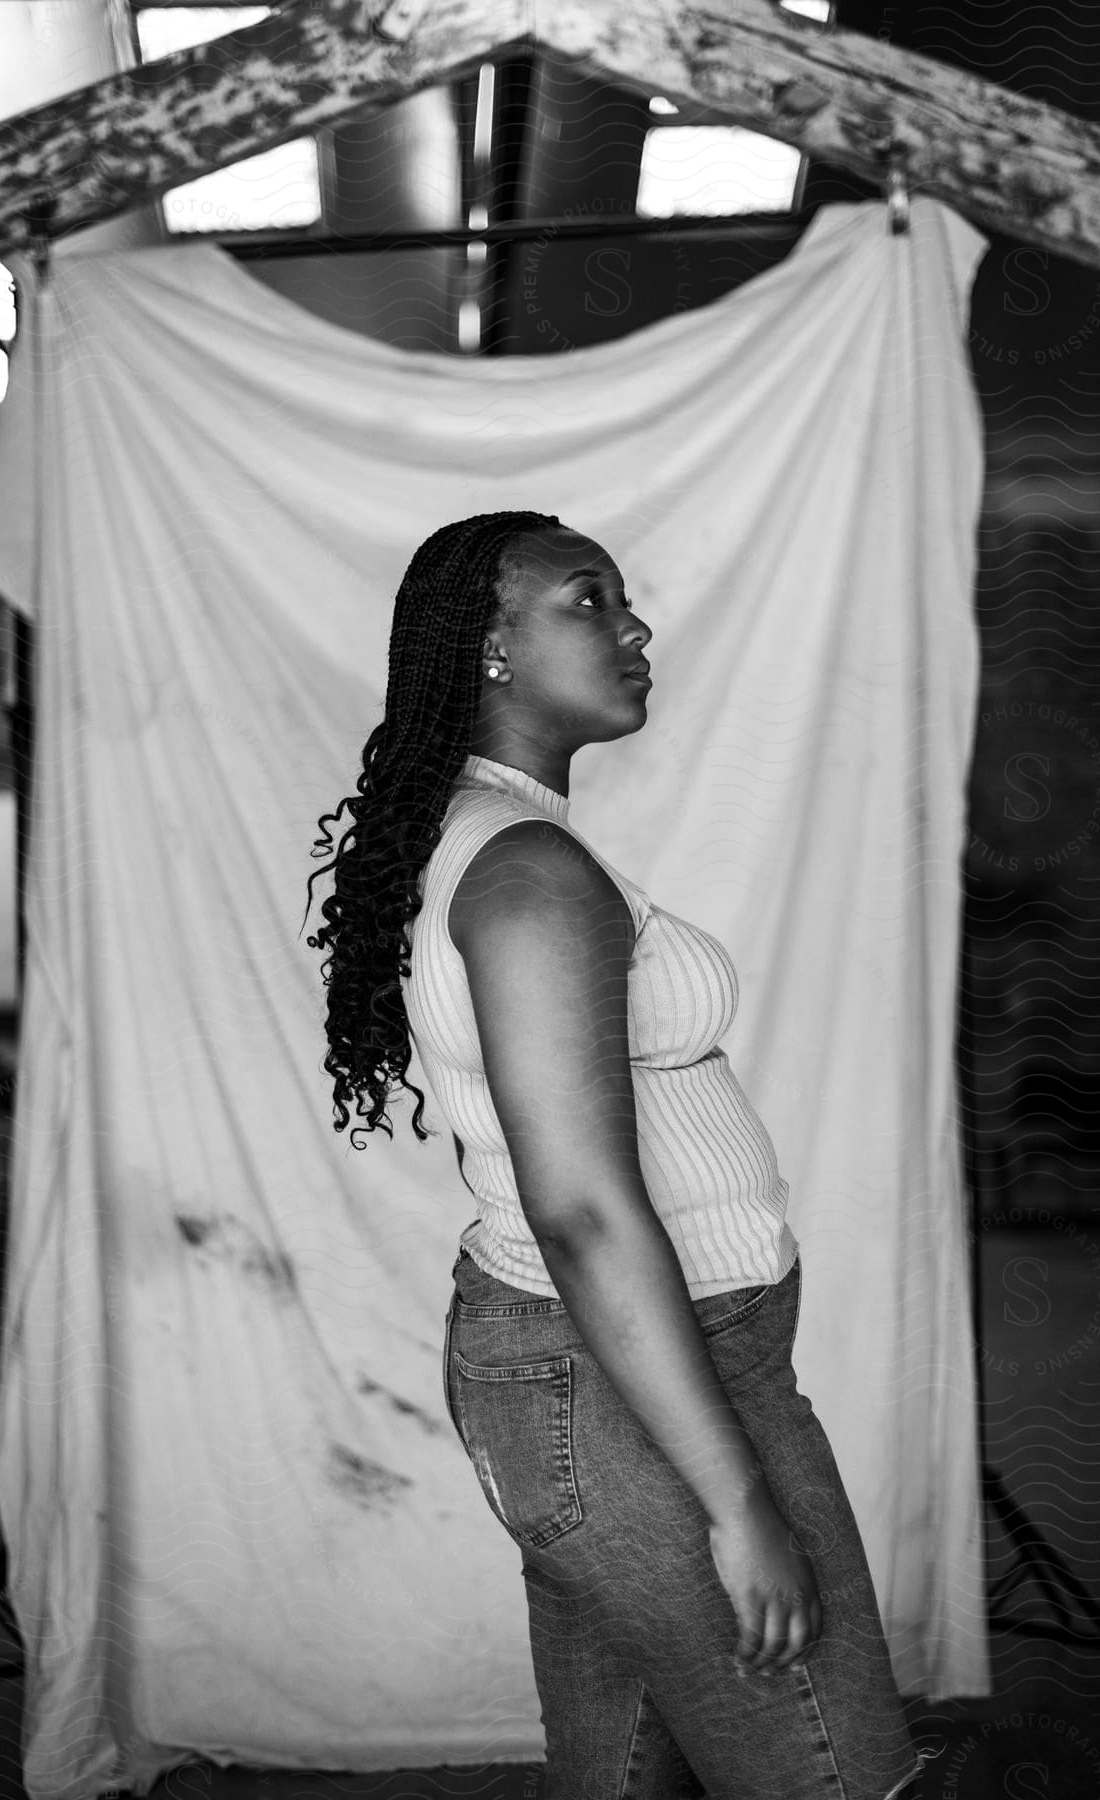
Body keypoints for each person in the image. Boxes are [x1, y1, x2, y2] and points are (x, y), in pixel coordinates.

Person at [304, 512, 926, 1799]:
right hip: (639, 1388)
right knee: (841, 1777)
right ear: (488, 647)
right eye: (590, 602)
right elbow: (581, 1208)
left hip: (616, 1377)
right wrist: (737, 1501)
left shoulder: (503, 839)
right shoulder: (527, 871)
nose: (636, 629)